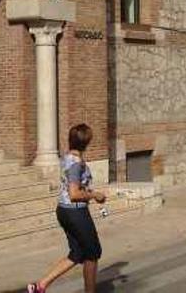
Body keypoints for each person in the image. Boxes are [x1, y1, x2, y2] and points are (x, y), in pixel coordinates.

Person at [28, 124, 106, 293]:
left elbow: (74, 187)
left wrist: (88, 191)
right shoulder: (77, 163)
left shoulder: (66, 158)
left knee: (77, 253)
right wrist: (95, 195)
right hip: (75, 211)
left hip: (64, 210)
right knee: (92, 253)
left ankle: (40, 286)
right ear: (87, 143)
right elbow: (74, 193)